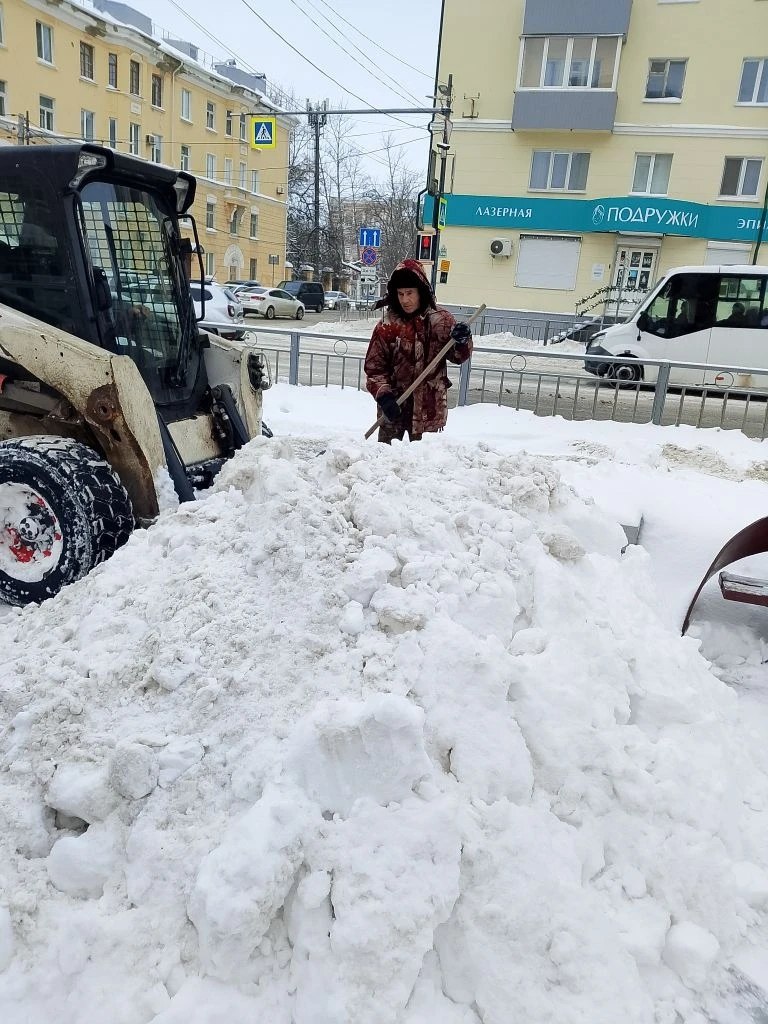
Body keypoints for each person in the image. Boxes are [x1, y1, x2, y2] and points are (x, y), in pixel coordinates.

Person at [364, 258, 473, 443]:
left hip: (428, 412)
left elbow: (458, 356)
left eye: (409, 293)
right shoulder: (387, 325)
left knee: (424, 460)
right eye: (400, 294)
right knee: (387, 458)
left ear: (421, 291)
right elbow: (375, 369)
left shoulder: (441, 320)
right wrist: (384, 397)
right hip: (394, 409)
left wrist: (462, 341)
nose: (405, 300)